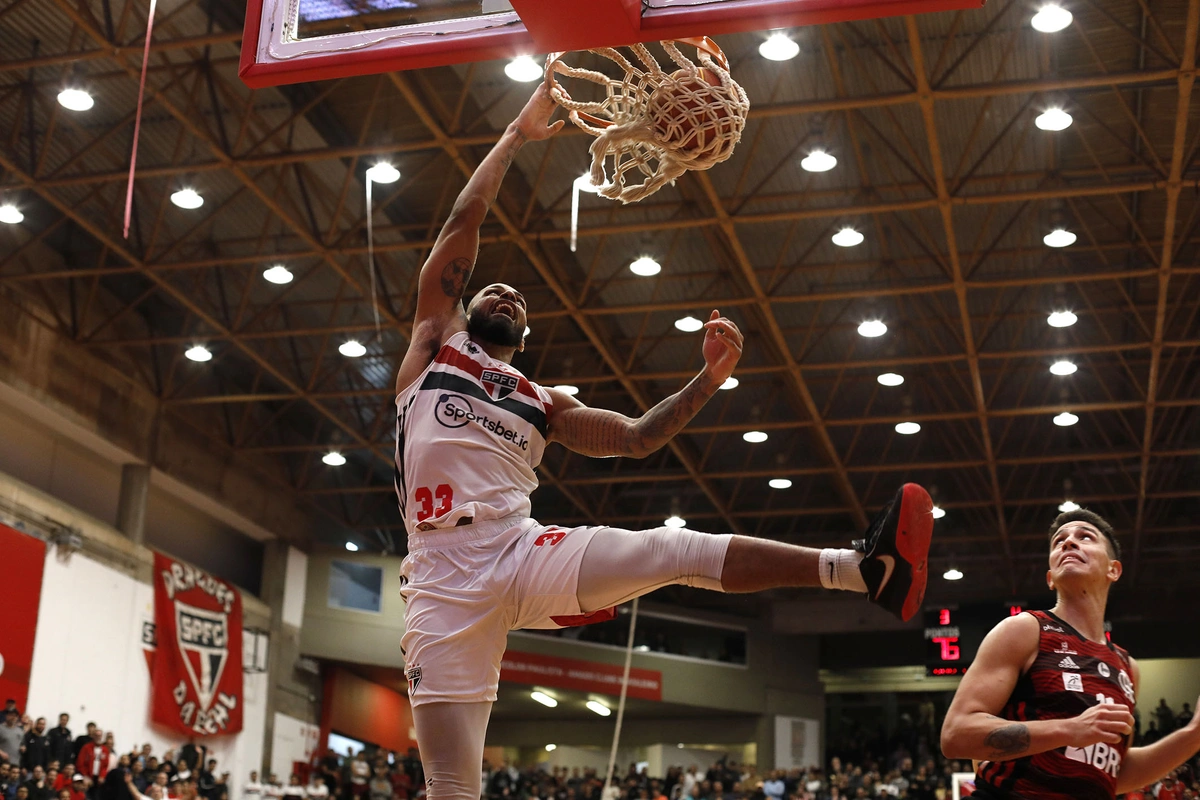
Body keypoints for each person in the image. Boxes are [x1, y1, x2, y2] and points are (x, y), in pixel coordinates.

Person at [391, 81, 934, 800]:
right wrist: (518, 135)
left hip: (519, 549)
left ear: (525, 337)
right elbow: (467, 214)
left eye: (520, 302)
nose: (508, 295)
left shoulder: (543, 401)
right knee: (453, 789)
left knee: (674, 550)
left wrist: (707, 382)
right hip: (440, 574)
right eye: (494, 289)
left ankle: (860, 570)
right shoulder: (434, 348)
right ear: (464, 303)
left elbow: (640, 438)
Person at [940, 508, 1200, 800]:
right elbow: (955, 735)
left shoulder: (1128, 667)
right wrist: (1070, 730)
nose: (1068, 542)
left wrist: (1193, 734)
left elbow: (1113, 775)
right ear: (1050, 578)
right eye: (1059, 541)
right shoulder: (1025, 629)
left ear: (1113, 569)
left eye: (1085, 537)